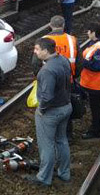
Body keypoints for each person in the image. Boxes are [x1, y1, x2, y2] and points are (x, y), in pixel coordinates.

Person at [27, 37, 72, 187]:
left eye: (37, 49)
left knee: (46, 145)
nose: (35, 51)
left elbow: (47, 96)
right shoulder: (63, 60)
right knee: (62, 140)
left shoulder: (47, 70)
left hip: (51, 113)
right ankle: (64, 173)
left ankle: (43, 178)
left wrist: (41, 110)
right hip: (66, 106)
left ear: (46, 51)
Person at [32, 15, 79, 138]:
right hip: (68, 81)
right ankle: (67, 134)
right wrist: (73, 76)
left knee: (49, 108)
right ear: (63, 25)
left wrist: (41, 78)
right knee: (66, 107)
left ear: (50, 25)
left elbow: (35, 64)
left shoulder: (42, 41)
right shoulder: (72, 39)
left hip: (49, 81)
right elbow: (79, 62)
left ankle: (51, 135)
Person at [80, 24, 100, 139]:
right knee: (99, 106)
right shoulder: (98, 45)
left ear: (94, 33)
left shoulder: (99, 48)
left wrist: (83, 62)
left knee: (96, 108)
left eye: (89, 31)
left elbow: (98, 66)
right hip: (96, 82)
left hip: (95, 83)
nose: (87, 33)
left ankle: (95, 131)